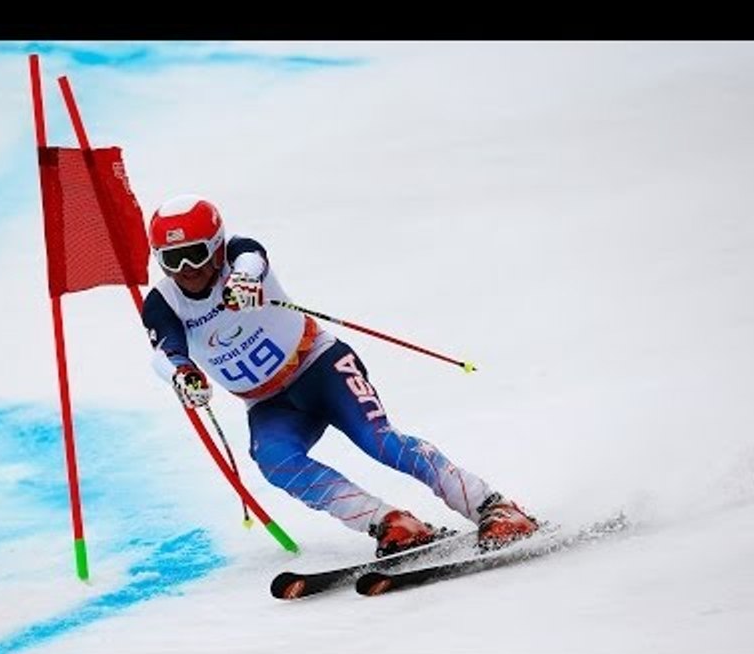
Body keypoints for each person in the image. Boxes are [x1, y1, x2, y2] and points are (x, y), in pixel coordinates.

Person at [141, 194, 539, 556]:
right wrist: (182, 375)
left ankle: (493, 506)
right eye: (172, 260)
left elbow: (253, 257)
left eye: (194, 254)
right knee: (275, 462)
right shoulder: (164, 302)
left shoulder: (238, 257)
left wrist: (244, 279)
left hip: (320, 366)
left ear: (215, 247)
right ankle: (392, 523)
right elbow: (167, 350)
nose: (187, 269)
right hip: (268, 402)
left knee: (378, 441)